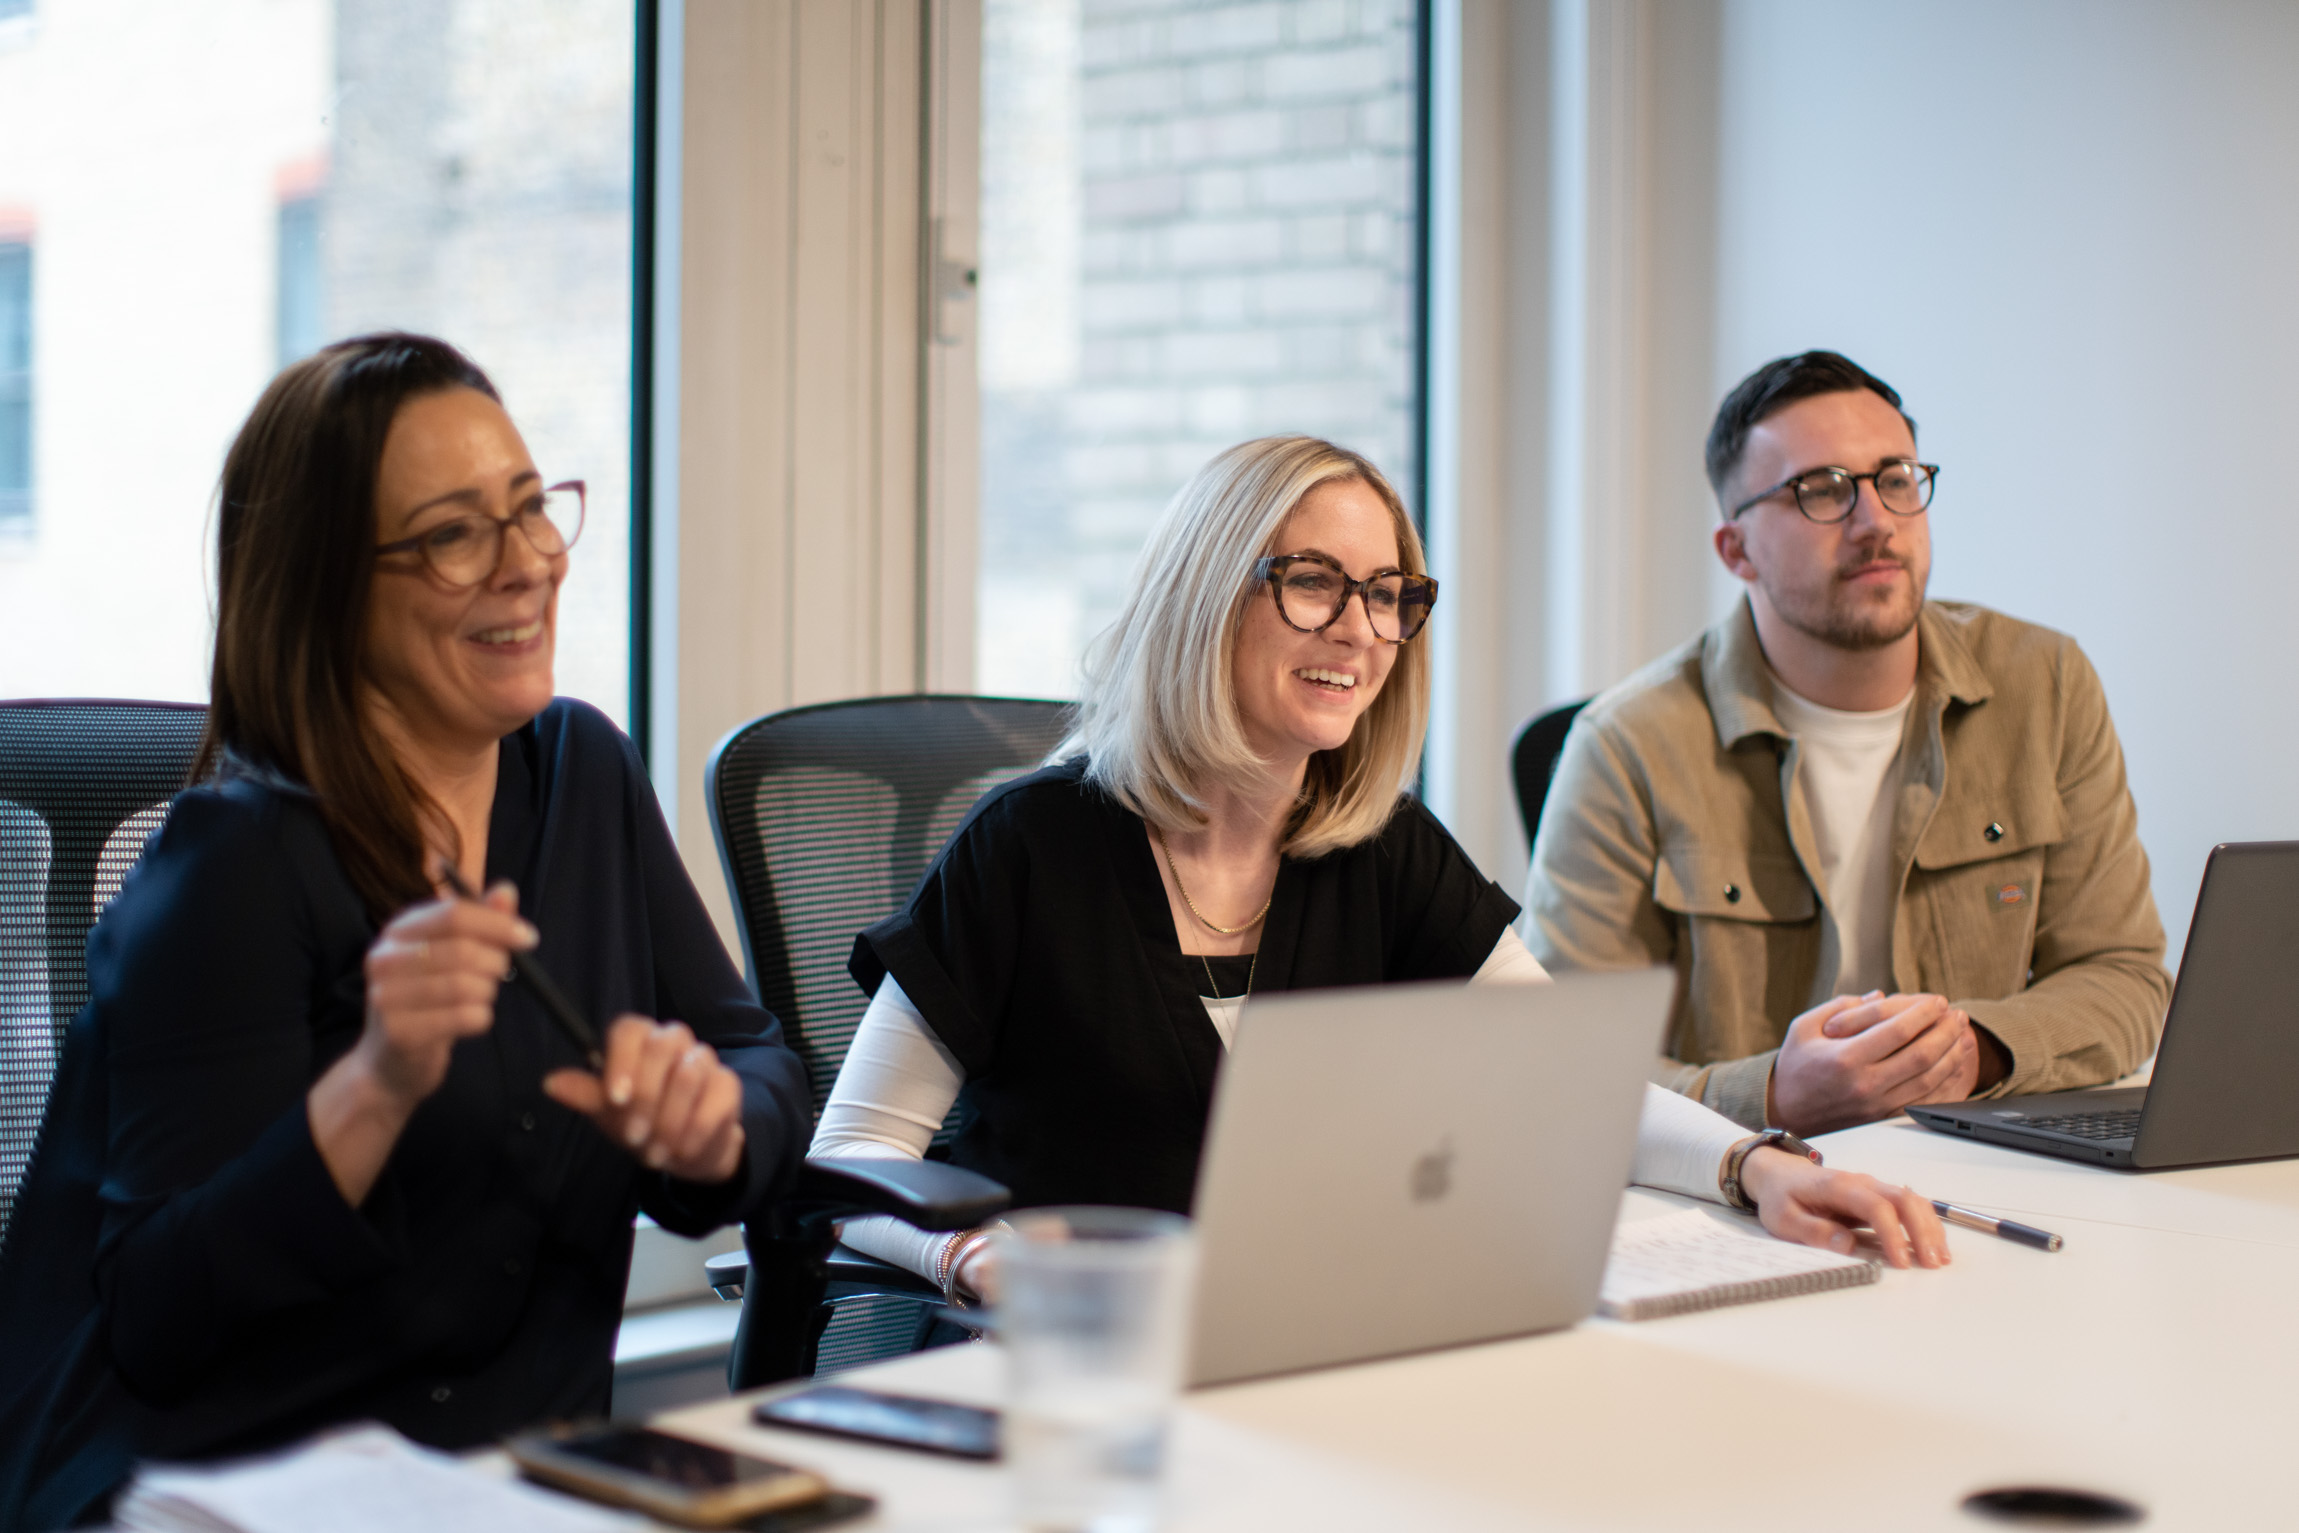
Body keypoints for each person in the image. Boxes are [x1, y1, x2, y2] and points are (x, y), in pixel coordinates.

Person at [812, 434, 1947, 1305]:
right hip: (1071, 1372)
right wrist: (975, 1260)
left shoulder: (1378, 843)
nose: (1359, 629)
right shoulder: (1032, 849)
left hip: (1312, 1350)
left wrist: (1759, 1167)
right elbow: (851, 1160)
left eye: (1388, 594)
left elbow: (1565, 1082)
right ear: (1205, 595)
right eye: (1313, 581)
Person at [0, 334, 809, 1528]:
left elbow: (763, 1065)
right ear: (326, 588)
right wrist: (375, 1087)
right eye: (450, 536)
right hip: (226, 1489)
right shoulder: (233, 865)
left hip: (517, 1478)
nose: (527, 564)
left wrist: (709, 1127)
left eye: (533, 510)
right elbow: (160, 1321)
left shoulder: (582, 773)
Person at [1524, 350, 2170, 1134]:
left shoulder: (2046, 685)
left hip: (1985, 1171)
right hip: (1747, 1194)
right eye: (1820, 490)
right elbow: (1562, 1062)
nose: (1875, 522)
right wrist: (1768, 1097)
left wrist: (1978, 1050)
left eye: (1894, 478)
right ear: (1737, 551)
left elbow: (2124, 975)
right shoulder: (1627, 746)